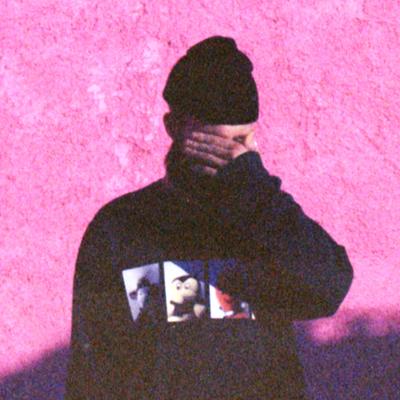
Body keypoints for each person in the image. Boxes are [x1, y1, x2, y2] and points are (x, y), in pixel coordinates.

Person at [65, 36, 354, 399]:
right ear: (175, 128)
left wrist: (254, 187)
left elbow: (328, 288)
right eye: (222, 143)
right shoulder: (121, 227)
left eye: (245, 141)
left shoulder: (267, 221)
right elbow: (92, 370)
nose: (238, 156)